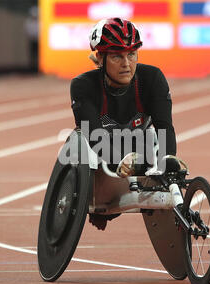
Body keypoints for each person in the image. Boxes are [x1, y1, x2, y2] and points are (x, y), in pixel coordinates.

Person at [70, 18, 180, 230]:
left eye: (131, 54)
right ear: (100, 58)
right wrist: (120, 162)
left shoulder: (152, 78)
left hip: (141, 147)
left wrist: (167, 163)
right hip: (100, 158)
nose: (126, 64)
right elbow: (93, 136)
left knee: (169, 167)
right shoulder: (83, 86)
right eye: (116, 56)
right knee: (81, 148)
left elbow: (165, 128)